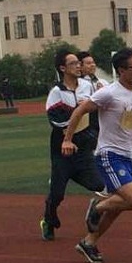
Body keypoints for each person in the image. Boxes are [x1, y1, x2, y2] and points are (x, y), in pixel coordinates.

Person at [60, 47, 132, 263]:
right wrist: (67, 139)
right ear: (122, 71)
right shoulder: (109, 93)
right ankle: (97, 206)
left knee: (117, 207)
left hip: (127, 155)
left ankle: (89, 242)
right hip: (109, 154)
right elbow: (79, 111)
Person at [39, 49, 105, 241]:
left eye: (78, 63)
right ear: (62, 68)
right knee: (57, 195)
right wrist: (78, 111)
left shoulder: (87, 86)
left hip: (83, 147)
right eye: (73, 63)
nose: (78, 66)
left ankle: (75, 180)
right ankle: (48, 220)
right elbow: (55, 120)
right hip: (62, 149)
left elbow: (95, 112)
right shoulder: (57, 92)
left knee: (99, 184)